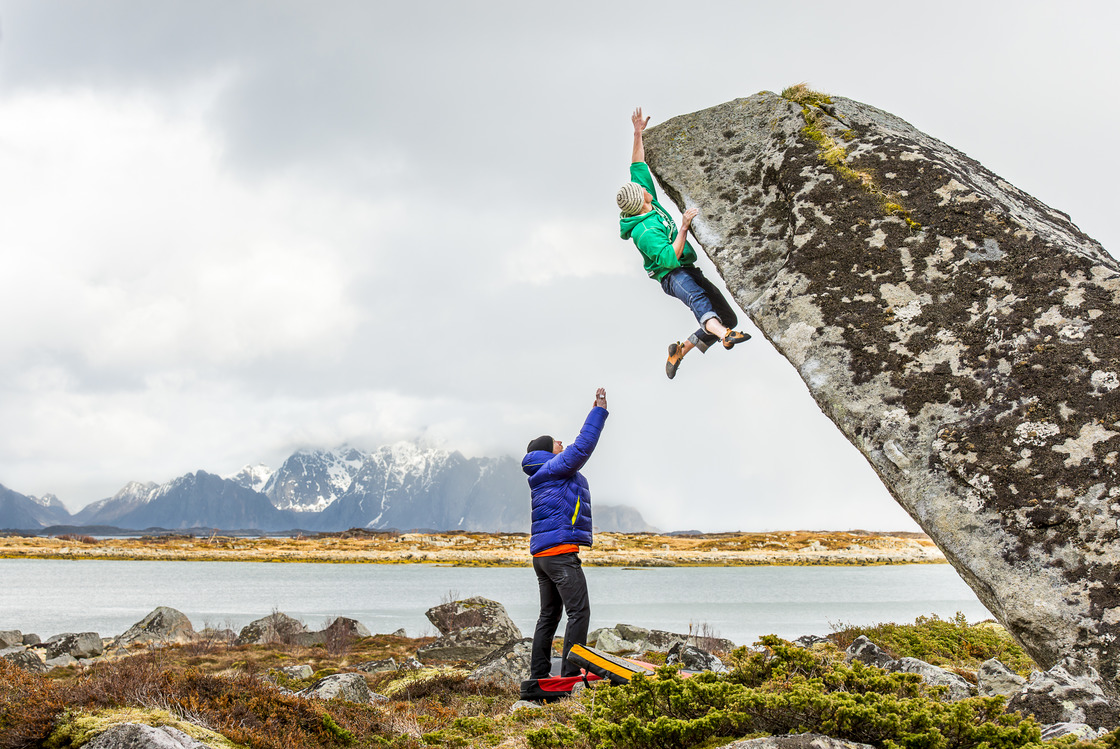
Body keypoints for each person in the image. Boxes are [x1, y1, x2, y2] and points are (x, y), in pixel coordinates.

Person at [618, 107, 751, 379]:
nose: (645, 187)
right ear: (639, 202)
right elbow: (670, 258)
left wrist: (637, 133)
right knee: (698, 300)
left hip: (687, 267)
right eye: (642, 190)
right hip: (671, 274)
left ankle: (681, 351)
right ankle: (724, 335)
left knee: (729, 316)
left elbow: (637, 164)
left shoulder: (645, 201)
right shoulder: (644, 231)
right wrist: (684, 227)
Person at [522, 387, 608, 680]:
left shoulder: (542, 474)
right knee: (579, 612)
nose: (560, 442)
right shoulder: (553, 468)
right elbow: (582, 446)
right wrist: (598, 410)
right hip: (560, 555)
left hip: (543, 558)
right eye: (555, 441)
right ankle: (571, 674)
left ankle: (538, 675)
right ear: (547, 451)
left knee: (548, 616)